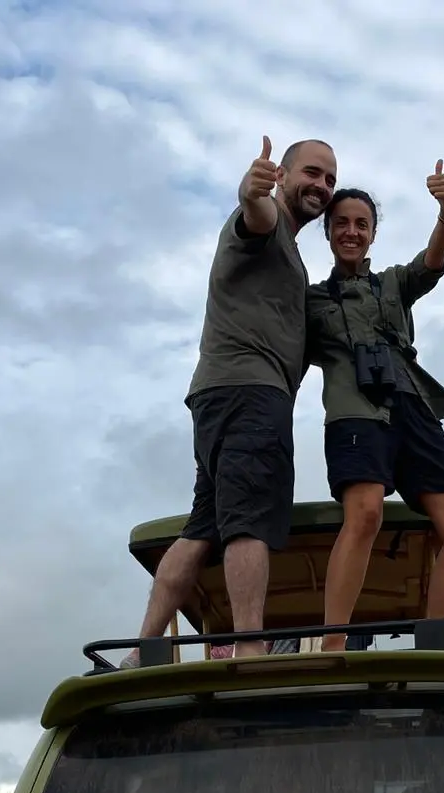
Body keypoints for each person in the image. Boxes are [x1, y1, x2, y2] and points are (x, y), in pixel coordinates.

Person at [122, 136, 338, 666]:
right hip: (249, 392)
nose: (323, 186)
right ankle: (247, 646)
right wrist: (250, 188)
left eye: (331, 179)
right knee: (249, 521)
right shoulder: (267, 226)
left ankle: (143, 649)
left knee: (203, 528)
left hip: (220, 394)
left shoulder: (290, 248)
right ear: (283, 176)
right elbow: (253, 211)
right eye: (312, 172)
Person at [305, 161, 444, 652]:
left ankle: (434, 647)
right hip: (356, 413)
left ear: (374, 234)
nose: (351, 232)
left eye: (361, 224)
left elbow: (432, 263)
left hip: (413, 408)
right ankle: (333, 645)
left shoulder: (393, 285)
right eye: (341, 223)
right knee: (364, 513)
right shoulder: (313, 302)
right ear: (328, 232)